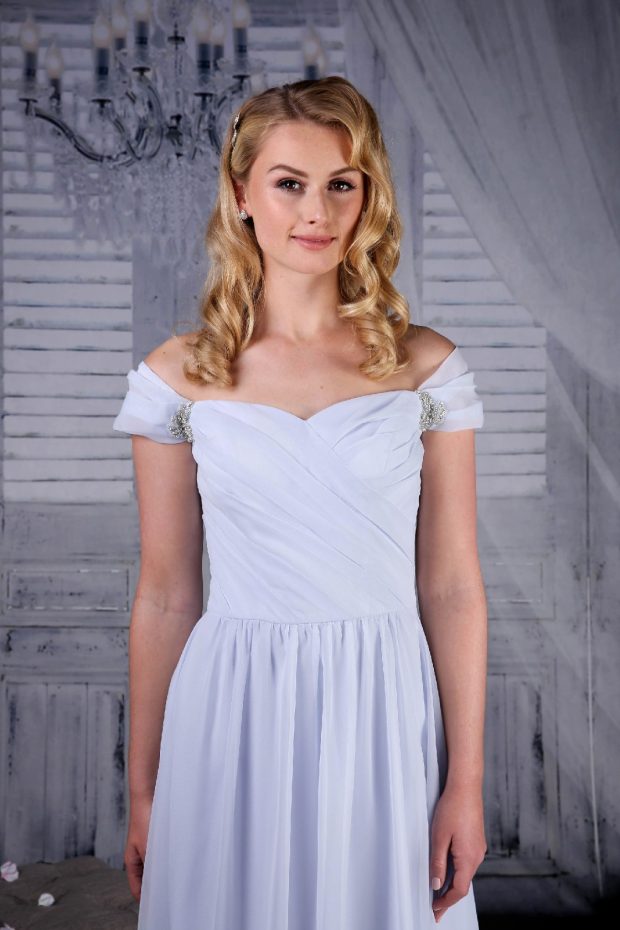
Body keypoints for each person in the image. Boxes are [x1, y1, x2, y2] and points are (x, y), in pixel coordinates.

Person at [113, 75, 488, 929]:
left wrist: (464, 783)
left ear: (368, 197)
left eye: (341, 185)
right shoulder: (179, 376)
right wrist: (144, 792)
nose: (317, 212)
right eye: (290, 183)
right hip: (232, 709)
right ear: (242, 194)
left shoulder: (426, 368)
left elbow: (453, 588)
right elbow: (166, 595)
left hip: (382, 710)